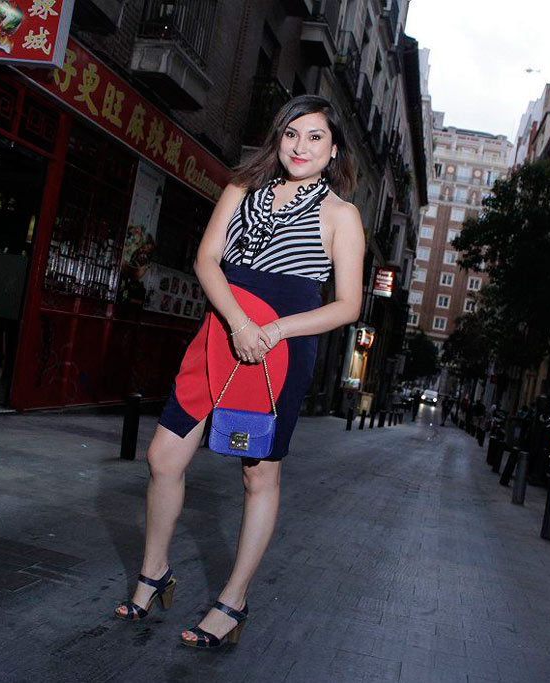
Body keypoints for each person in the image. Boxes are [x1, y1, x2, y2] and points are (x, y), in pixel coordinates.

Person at [112, 95, 364, 649]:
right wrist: (239, 323)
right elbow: (206, 260)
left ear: (333, 150)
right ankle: (155, 571)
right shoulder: (241, 189)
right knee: (163, 457)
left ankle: (234, 600)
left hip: (279, 351)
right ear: (277, 137)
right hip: (220, 336)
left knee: (258, 476)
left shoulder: (340, 215)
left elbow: (348, 306)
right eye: (292, 133)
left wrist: (270, 331)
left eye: (315, 137)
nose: (301, 146)